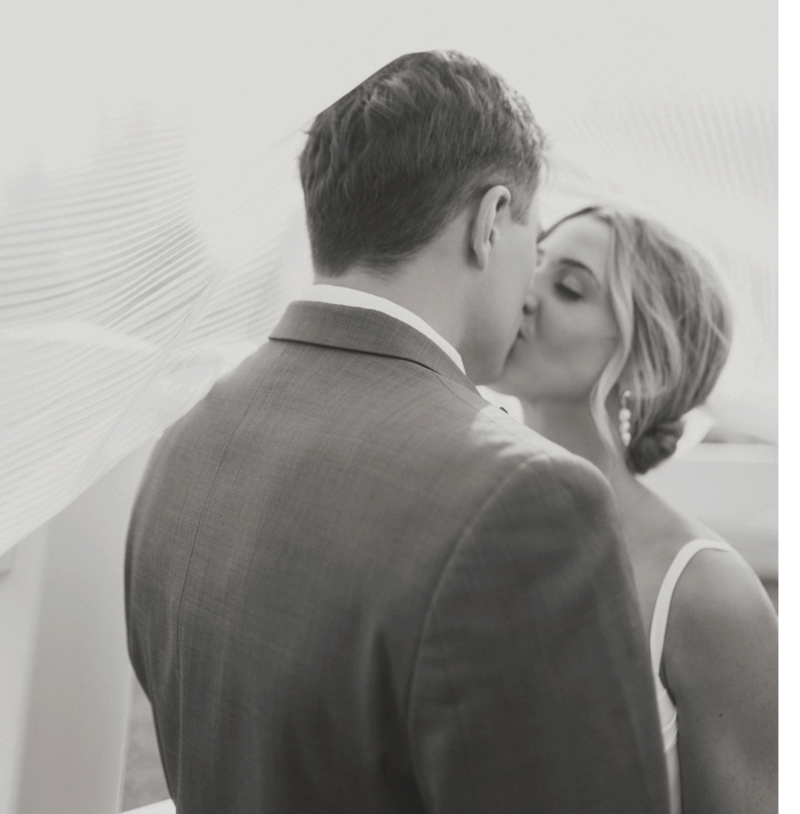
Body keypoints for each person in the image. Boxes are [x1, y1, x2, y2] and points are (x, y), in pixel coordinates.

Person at [125, 53, 670, 812]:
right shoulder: (527, 497)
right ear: (489, 222)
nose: (528, 293)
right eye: (533, 247)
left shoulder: (183, 444)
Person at [493, 206, 779, 813]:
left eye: (569, 287)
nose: (524, 293)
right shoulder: (465, 522)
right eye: (533, 263)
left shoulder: (707, 594)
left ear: (644, 367)